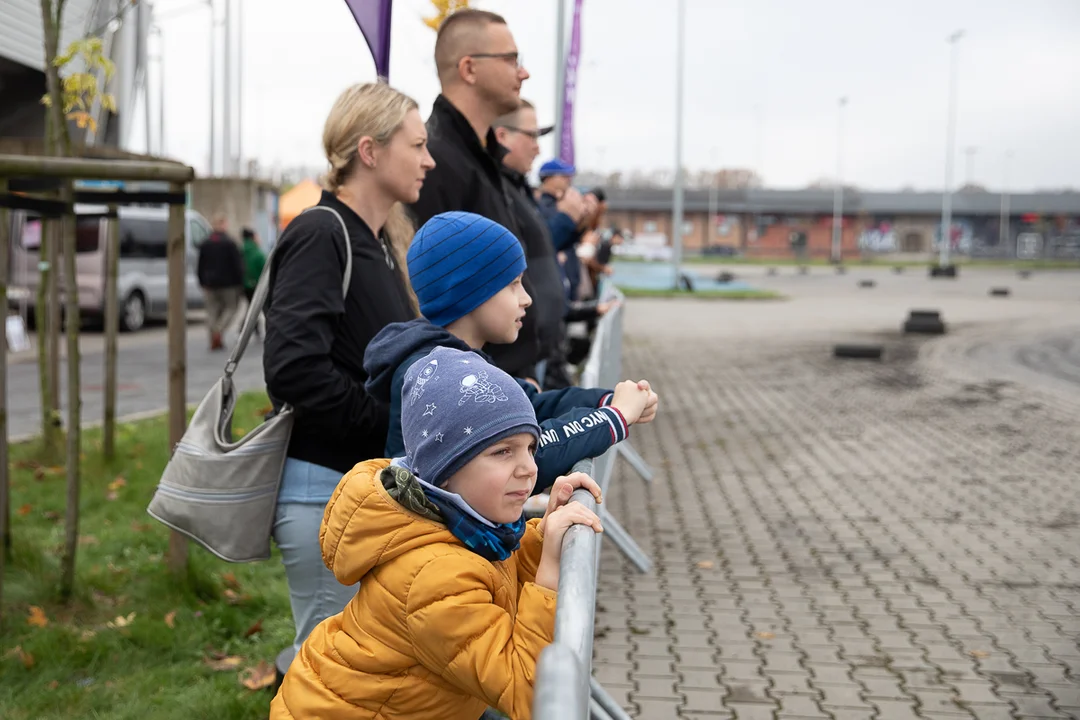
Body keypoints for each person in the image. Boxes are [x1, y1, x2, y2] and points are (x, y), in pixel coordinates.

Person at [270, 347, 607, 720]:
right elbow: (530, 692)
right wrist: (551, 573)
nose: (528, 468)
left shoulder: (458, 523)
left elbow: (499, 571)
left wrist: (545, 535)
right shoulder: (435, 577)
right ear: (446, 469)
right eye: (503, 451)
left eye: (530, 446)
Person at [262, 82, 434, 654]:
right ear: (370, 151)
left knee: (358, 675)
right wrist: (387, 425)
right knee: (329, 676)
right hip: (323, 493)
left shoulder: (382, 243)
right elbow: (293, 370)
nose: (428, 160)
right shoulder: (321, 234)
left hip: (363, 492)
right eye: (417, 145)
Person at [364, 211, 659, 494]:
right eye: (513, 284)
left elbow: (529, 404)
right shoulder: (442, 375)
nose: (527, 299)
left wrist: (604, 399)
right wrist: (614, 417)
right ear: (469, 293)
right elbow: (522, 463)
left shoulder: (457, 359)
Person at [407, 9, 543, 380]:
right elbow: (430, 303)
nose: (523, 72)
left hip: (508, 383)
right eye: (511, 59)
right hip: (483, 399)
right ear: (469, 69)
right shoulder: (436, 163)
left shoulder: (481, 160)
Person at [492, 99, 566, 388]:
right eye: (532, 136)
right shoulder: (498, 193)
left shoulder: (518, 190)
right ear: (502, 136)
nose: (538, 147)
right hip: (518, 363)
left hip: (536, 353)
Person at [196, 213, 244, 350]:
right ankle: (219, 330)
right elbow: (237, 265)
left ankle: (214, 337)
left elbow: (200, 264)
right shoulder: (230, 243)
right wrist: (240, 281)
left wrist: (202, 281)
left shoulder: (205, 243)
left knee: (212, 311)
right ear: (224, 225)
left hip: (209, 283)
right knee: (231, 308)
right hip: (229, 284)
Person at [240, 227, 266, 338]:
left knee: (252, 306)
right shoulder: (257, 253)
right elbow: (264, 269)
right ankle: (244, 328)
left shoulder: (240, 250)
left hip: (244, 284)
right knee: (254, 307)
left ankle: (254, 327)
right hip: (256, 284)